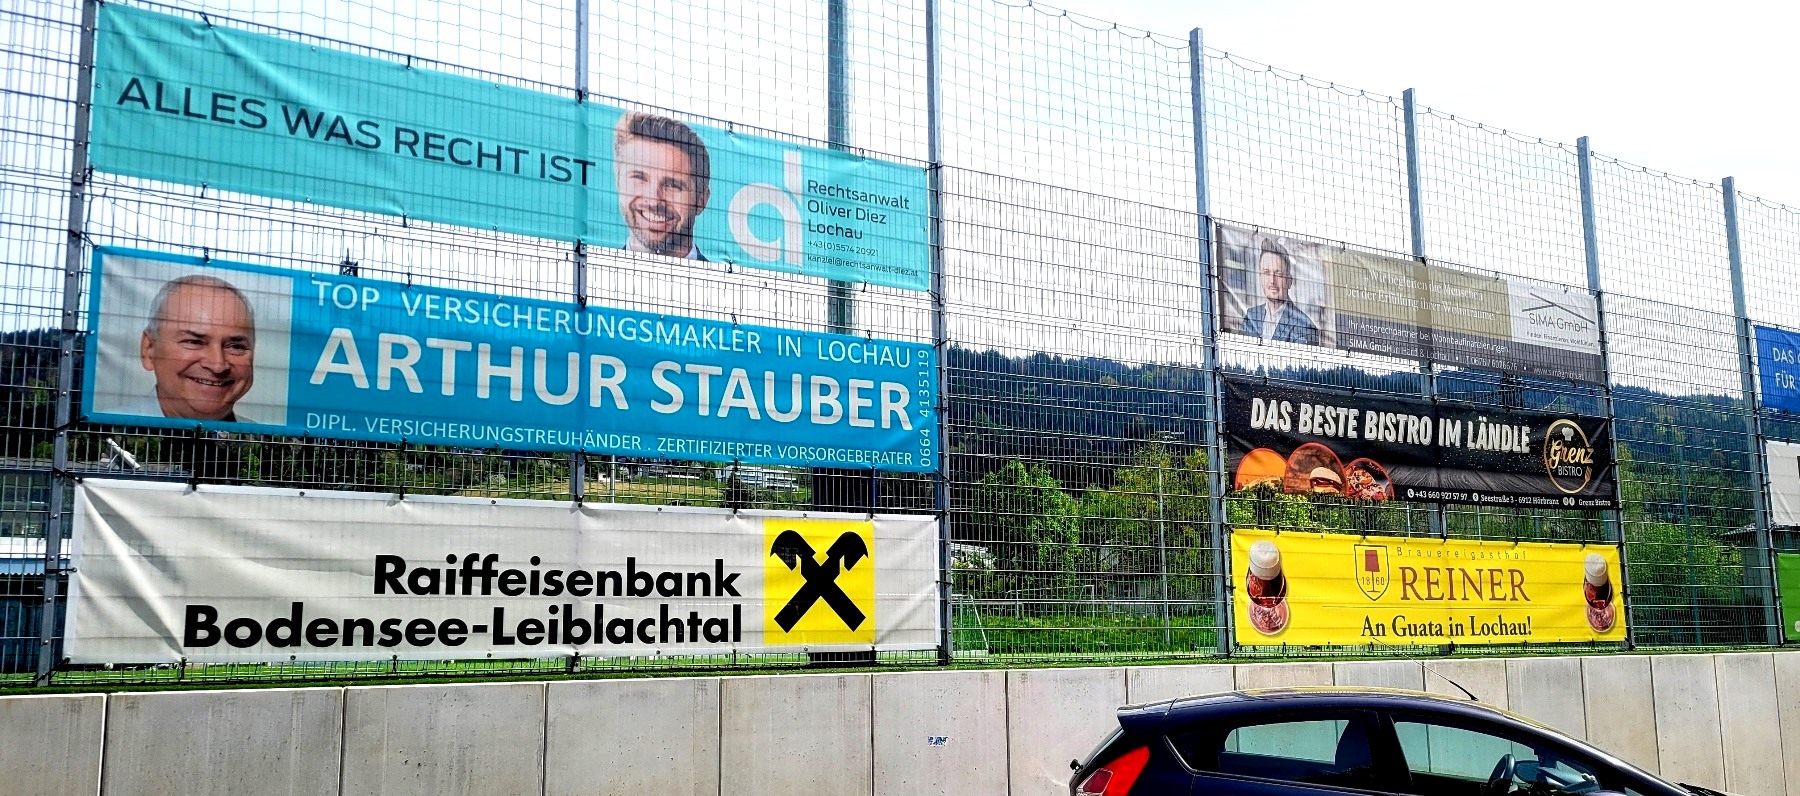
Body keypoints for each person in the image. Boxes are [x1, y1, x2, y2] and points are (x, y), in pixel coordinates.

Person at [130, 274, 258, 422]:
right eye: (194, 342)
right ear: (149, 350)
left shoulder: (267, 436)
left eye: (235, 346)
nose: (218, 365)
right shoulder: (107, 431)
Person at [613, 112, 711, 260]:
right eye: (639, 177)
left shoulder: (726, 276)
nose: (654, 201)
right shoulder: (586, 270)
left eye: (672, 185)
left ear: (701, 200)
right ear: (618, 181)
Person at [1240, 240, 1321, 345]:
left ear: (1289, 281)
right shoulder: (1251, 316)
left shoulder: (1305, 327)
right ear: (1260, 277)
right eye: (1266, 273)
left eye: (1278, 274)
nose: (1272, 281)